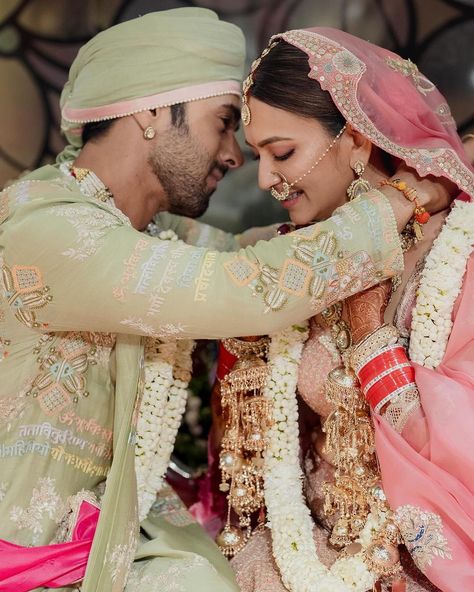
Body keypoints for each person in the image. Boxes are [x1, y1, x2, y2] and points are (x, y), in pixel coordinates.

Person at [0, 8, 456, 591]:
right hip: (30, 552)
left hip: (111, 535)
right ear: (152, 114)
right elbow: (246, 285)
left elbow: (254, 254)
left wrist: (426, 161)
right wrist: (403, 199)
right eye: (221, 123)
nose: (236, 157)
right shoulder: (49, 227)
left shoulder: (136, 235)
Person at [194, 27, 474, 592]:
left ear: (358, 139)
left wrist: (371, 336)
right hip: (309, 554)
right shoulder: (298, 260)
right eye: (258, 157)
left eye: (282, 153)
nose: (266, 178)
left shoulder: (459, 256)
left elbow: (460, 458)